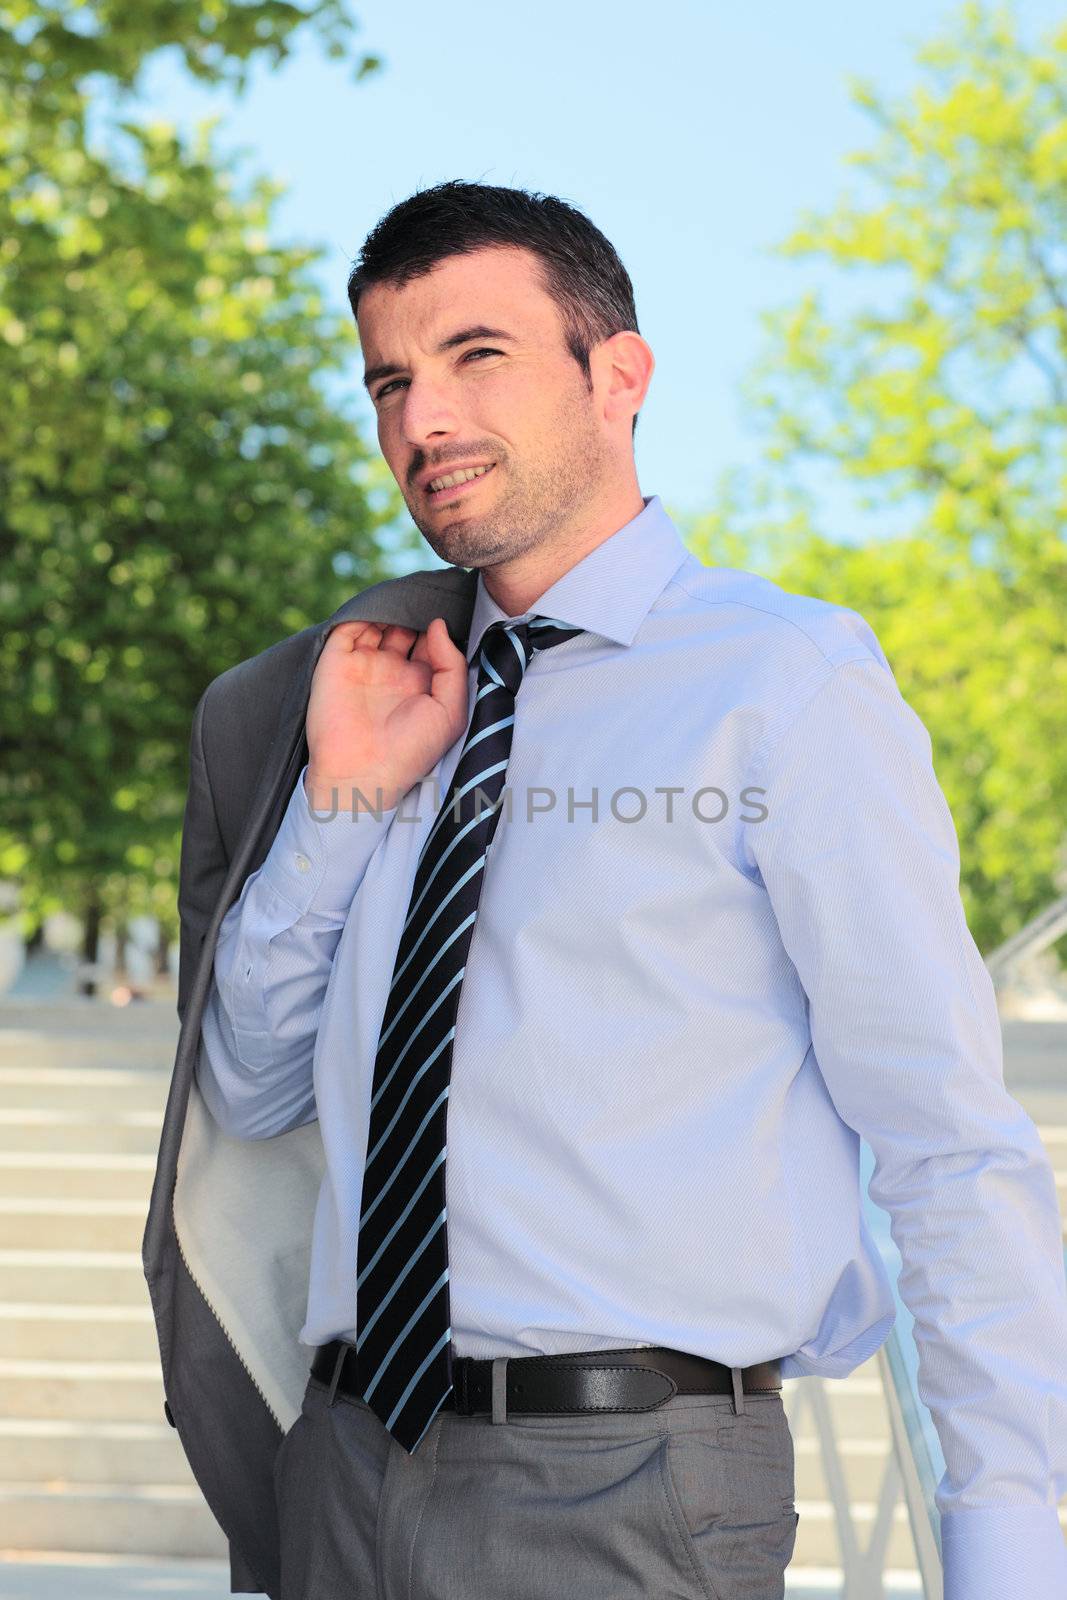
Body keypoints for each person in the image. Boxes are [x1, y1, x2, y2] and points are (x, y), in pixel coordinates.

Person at [155, 180, 1067, 1600]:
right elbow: (253, 1089)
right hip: (339, 1471)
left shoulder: (786, 682)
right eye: (390, 380)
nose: (424, 422)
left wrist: (1006, 1544)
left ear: (619, 375)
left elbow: (948, 1139)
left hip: (631, 1487)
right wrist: (340, 803)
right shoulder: (366, 692)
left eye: (478, 357)